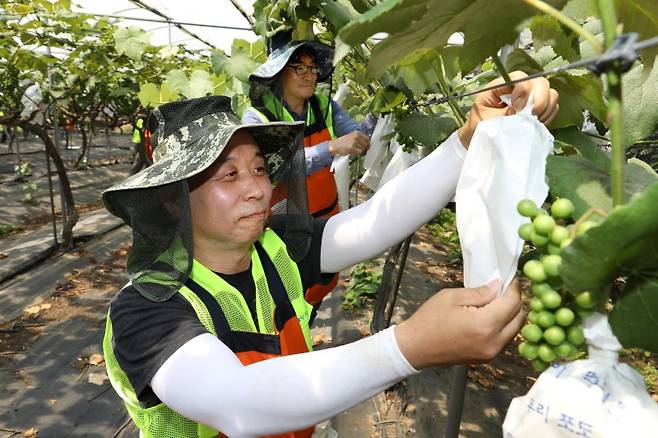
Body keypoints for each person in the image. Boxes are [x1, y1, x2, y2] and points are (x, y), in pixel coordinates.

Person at [101, 72, 558, 437]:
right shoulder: (146, 306)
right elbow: (236, 402)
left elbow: (375, 221)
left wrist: (470, 136)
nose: (256, 190)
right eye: (227, 176)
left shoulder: (273, 247)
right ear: (172, 200)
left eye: (259, 169)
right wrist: (409, 346)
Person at [243, 40, 376, 311]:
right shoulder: (257, 117)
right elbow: (272, 168)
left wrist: (378, 114)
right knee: (281, 294)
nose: (309, 74)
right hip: (281, 225)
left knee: (318, 285)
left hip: (325, 218)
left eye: (313, 68)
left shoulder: (325, 106)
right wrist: (330, 148)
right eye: (299, 67)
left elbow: (357, 137)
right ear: (280, 72)